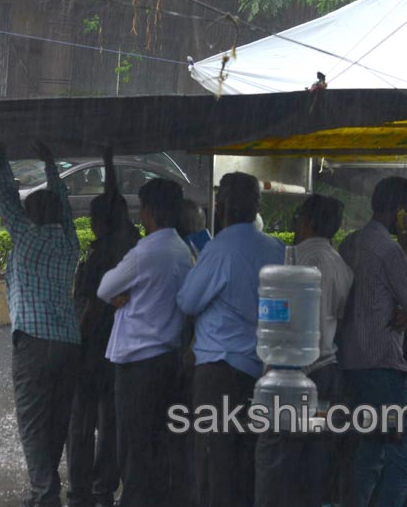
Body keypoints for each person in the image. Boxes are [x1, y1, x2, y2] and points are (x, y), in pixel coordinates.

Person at [176, 171, 285, 507]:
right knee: (246, 465)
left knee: (214, 466)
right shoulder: (277, 249)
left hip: (218, 373)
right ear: (256, 207)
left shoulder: (220, 249)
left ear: (221, 206)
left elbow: (187, 301)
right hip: (261, 374)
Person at [0, 140, 82, 507]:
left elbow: (6, 194)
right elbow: (61, 204)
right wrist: (51, 163)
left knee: (31, 423)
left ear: (30, 216)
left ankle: (45, 495)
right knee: (57, 420)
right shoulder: (69, 243)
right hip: (68, 343)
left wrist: (0, 152)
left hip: (32, 341)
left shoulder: (25, 236)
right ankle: (42, 489)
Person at [97, 177, 192, 507]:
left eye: (141, 208)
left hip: (138, 364)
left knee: (134, 449)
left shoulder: (145, 252)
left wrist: (119, 294)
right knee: (157, 444)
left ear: (149, 211)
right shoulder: (182, 250)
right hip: (167, 360)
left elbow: (105, 286)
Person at [254, 194, 353, 507]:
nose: (295, 224)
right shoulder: (341, 265)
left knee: (276, 465)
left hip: (295, 373)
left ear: (308, 222)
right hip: (328, 371)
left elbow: (293, 324)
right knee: (313, 471)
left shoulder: (299, 260)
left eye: (298, 218)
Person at [337, 176, 407, 507]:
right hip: (384, 365)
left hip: (352, 362)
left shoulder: (351, 243)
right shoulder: (390, 250)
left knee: (371, 449)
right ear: (400, 211)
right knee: (402, 459)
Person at [67, 147, 139, 507]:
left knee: (81, 421)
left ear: (98, 222)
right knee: (109, 421)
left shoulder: (102, 257)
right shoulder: (129, 244)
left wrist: (76, 340)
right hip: (118, 348)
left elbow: (94, 305)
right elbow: (116, 201)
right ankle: (103, 483)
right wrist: (109, 162)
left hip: (94, 347)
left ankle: (82, 485)